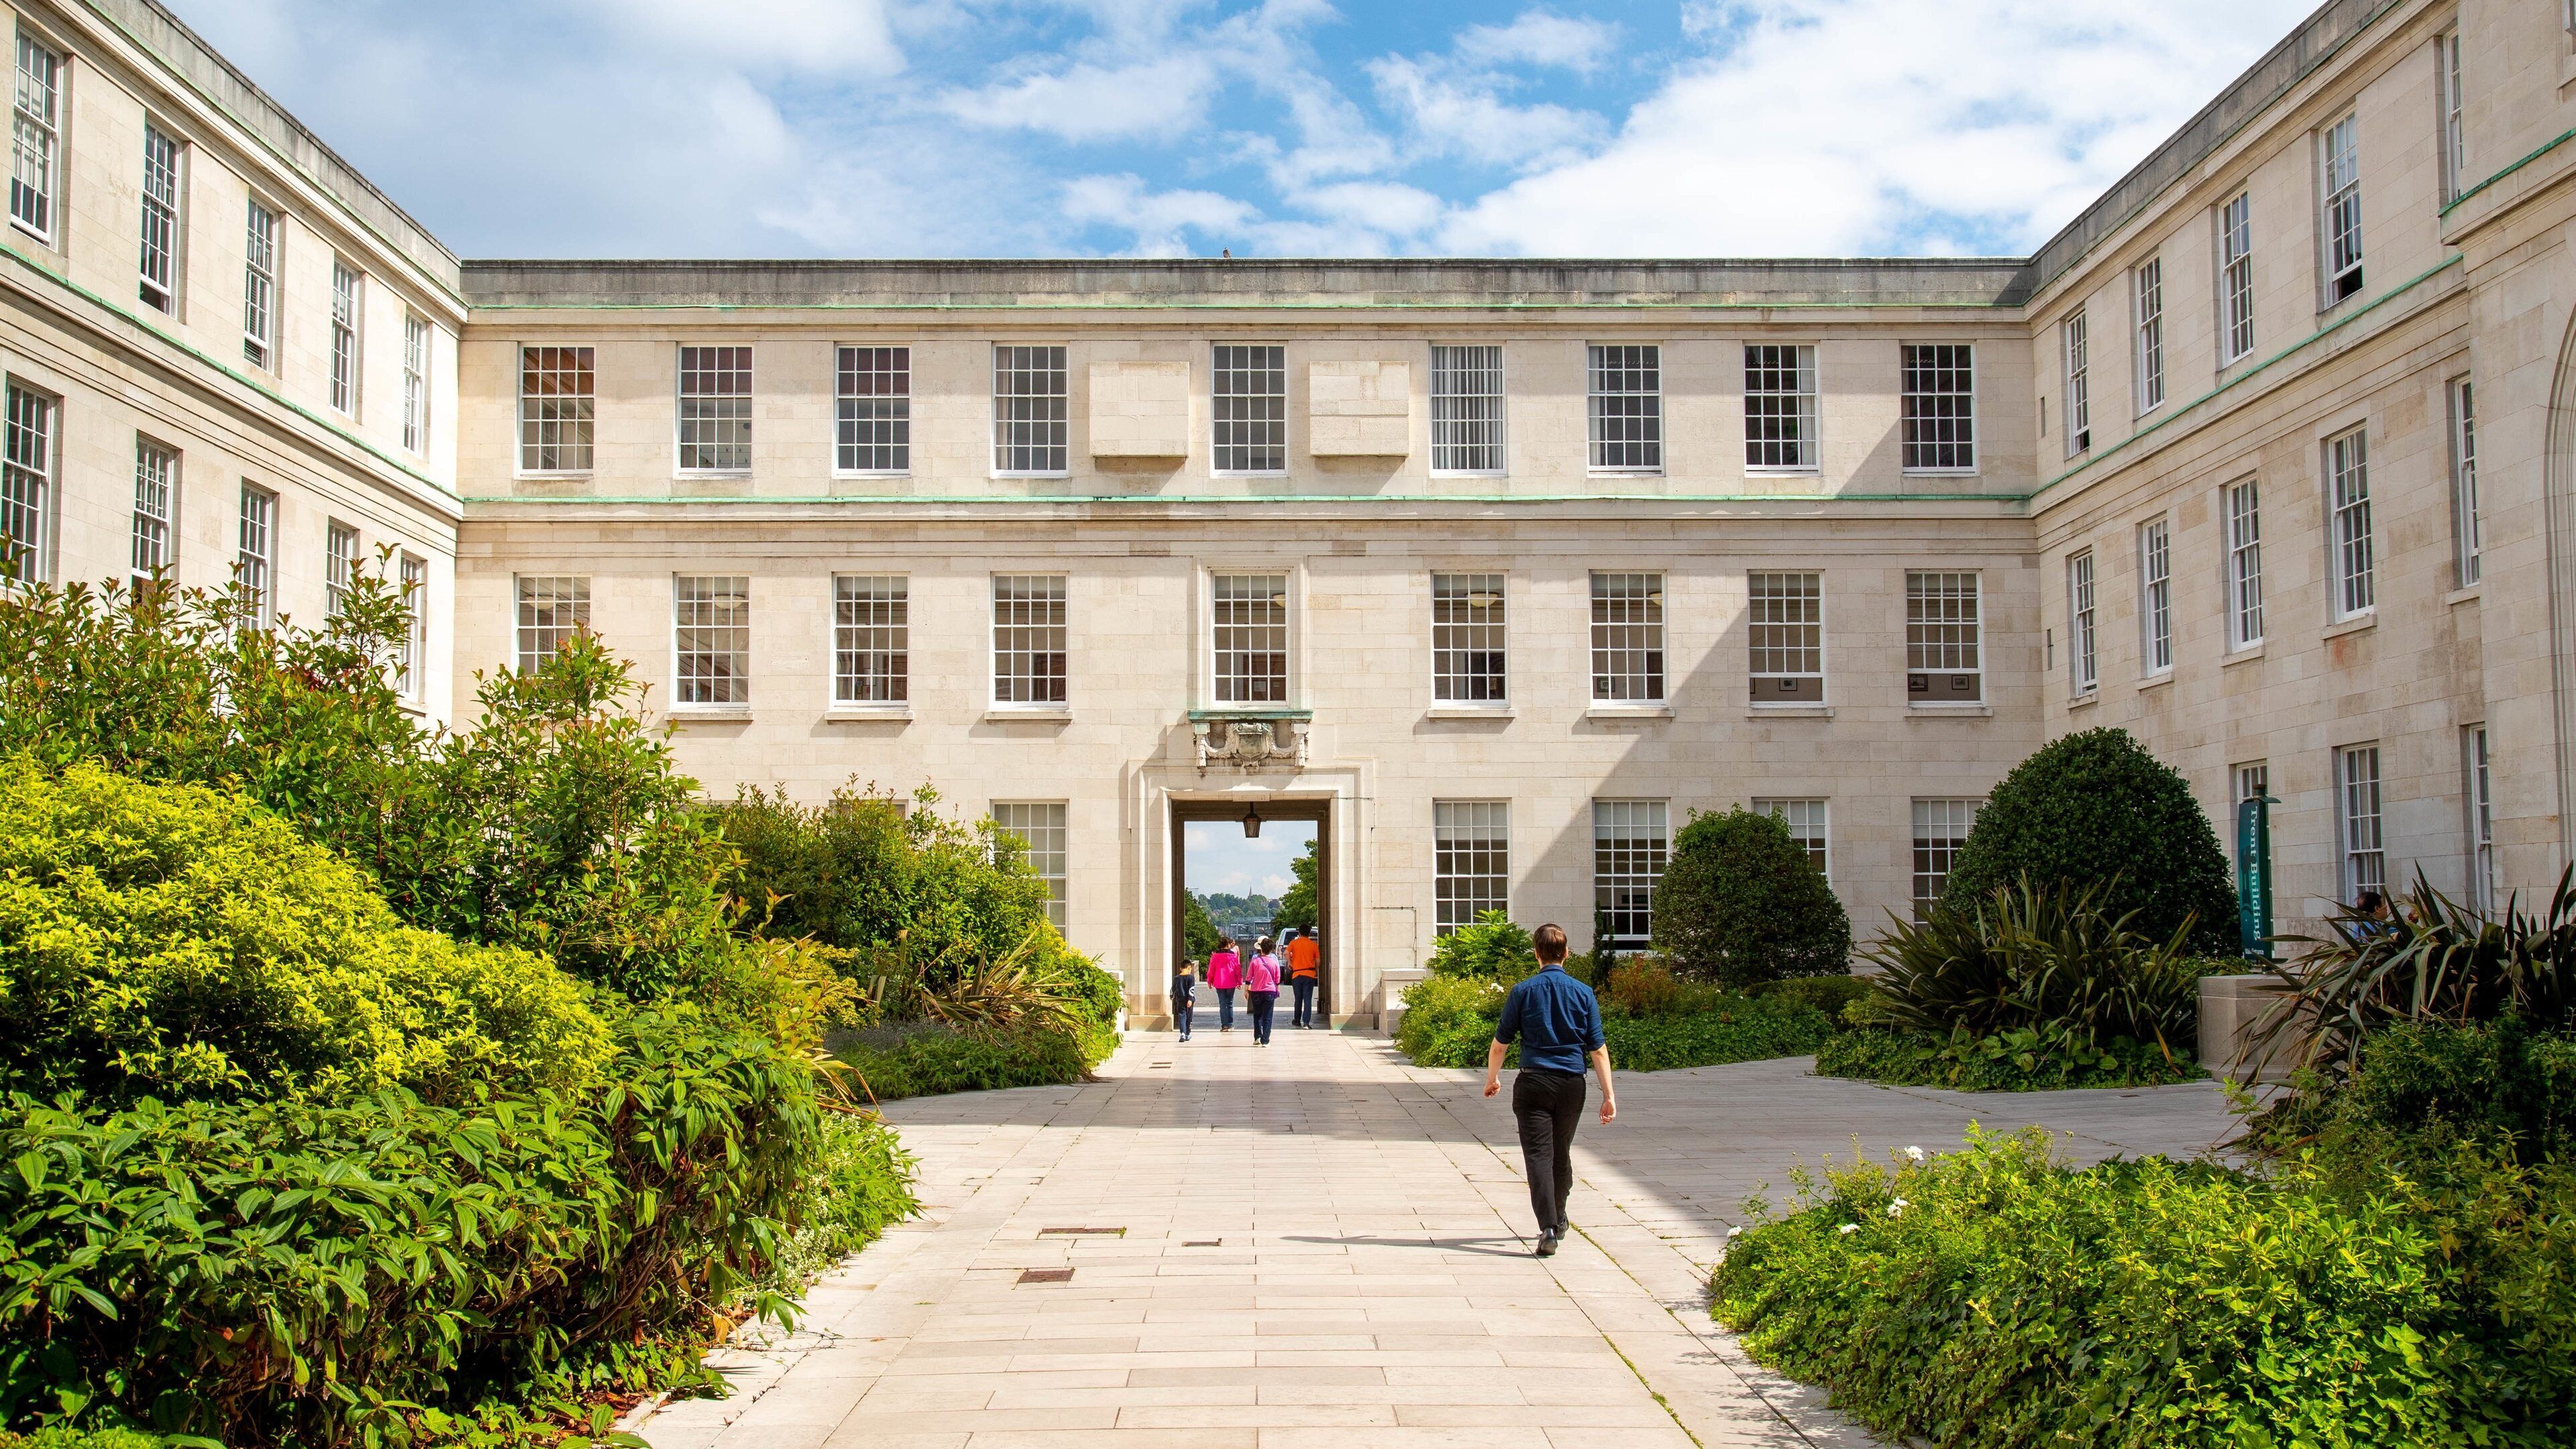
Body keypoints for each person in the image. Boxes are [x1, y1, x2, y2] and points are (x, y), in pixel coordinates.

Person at [1483, 923, 1615, 1258]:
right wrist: (1608, 1095)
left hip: (1534, 1082)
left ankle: (1549, 1227)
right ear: (1567, 954)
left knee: (1539, 1155)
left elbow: (1501, 1044)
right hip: (1572, 1083)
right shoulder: (1583, 993)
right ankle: (1559, 1215)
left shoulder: (1523, 991)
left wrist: (1492, 1079)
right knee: (1561, 1150)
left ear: (1536, 954)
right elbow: (1597, 1049)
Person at [1244, 936, 1283, 1046]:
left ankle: (1257, 1037)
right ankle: (1265, 1040)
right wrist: (1277, 991)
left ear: (1261, 948)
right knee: (1268, 1016)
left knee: (1257, 1015)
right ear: (1271, 949)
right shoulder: (1274, 962)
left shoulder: (1255, 961)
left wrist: (1246, 990)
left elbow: (1248, 977)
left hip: (1256, 991)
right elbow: (1277, 979)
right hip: (1270, 991)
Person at [1285, 927, 1321, 1028]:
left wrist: (1290, 963)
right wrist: (1315, 970)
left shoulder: (1294, 943)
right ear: (1309, 933)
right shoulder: (1313, 945)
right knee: (1307, 999)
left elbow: (1286, 953)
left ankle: (1297, 1020)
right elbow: (1318, 961)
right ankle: (1306, 1023)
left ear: (1299, 933)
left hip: (1297, 974)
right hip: (1309, 974)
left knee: (1298, 999)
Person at [1207, 937, 1242, 1032]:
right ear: (1229, 945)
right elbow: (1237, 969)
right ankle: (1230, 1024)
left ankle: (1224, 1025)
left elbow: (1211, 970)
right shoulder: (1233, 956)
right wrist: (1239, 981)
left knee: (1222, 1004)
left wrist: (1209, 981)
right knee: (1230, 1003)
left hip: (1219, 982)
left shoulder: (1215, 956)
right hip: (1231, 982)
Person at [1171, 954, 1197, 1042]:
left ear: (1180, 969)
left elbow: (1173, 989)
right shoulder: (1191, 978)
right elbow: (1191, 989)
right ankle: (1187, 1033)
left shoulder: (1176, 978)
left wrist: (1172, 996)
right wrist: (1190, 999)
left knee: (1182, 1016)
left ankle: (1182, 1033)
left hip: (1180, 1000)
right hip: (1189, 1000)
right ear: (1189, 968)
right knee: (1189, 1017)